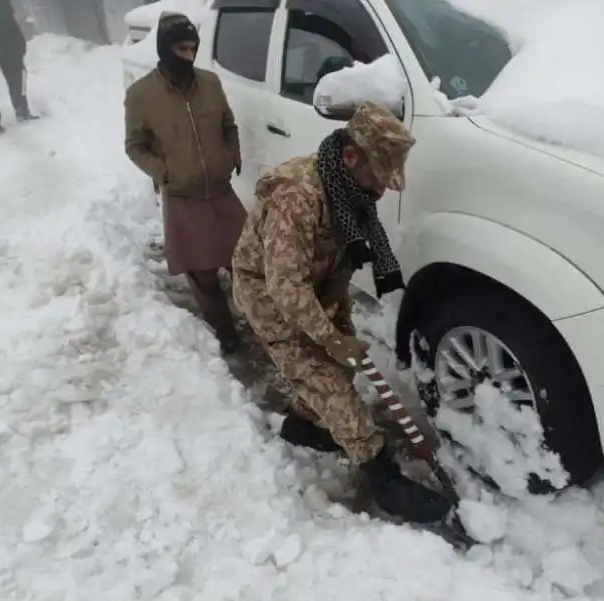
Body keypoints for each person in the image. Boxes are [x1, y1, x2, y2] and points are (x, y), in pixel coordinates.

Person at [231, 102, 450, 525]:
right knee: (330, 383)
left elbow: (335, 259)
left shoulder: (350, 193)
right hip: (269, 294)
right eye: (378, 175)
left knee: (337, 367)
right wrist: (328, 338)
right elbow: (283, 285)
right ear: (350, 157)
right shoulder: (297, 197)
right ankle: (383, 477)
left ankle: (304, 425)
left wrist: (338, 322)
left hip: (316, 285)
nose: (382, 190)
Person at [124, 12, 246, 353]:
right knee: (203, 273)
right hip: (182, 195)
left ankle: (263, 322)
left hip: (221, 192)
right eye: (181, 48)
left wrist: (230, 156)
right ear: (165, 49)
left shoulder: (210, 83)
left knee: (246, 260)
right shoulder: (141, 94)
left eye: (193, 49)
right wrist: (164, 172)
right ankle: (226, 333)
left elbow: (228, 125)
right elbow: (134, 146)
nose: (189, 56)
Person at [0, 0, 37, 122]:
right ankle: (24, 110)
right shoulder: (7, 19)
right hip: (15, 56)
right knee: (20, 83)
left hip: (2, 57)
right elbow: (17, 36)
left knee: (11, 84)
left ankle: (18, 109)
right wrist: (22, 51)